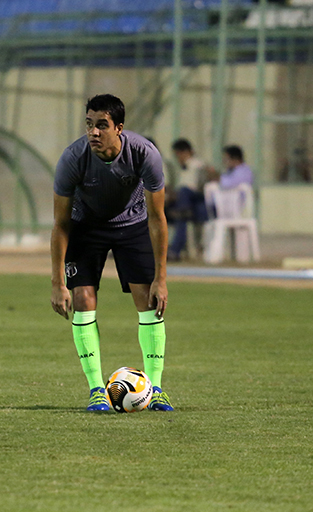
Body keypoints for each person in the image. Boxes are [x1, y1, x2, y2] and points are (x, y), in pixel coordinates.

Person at [50, 94, 173, 412]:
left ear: (119, 127)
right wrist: (57, 282)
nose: (93, 131)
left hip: (132, 224)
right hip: (85, 225)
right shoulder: (73, 158)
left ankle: (156, 388)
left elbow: (157, 218)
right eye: (89, 124)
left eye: (102, 125)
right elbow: (61, 224)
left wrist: (161, 278)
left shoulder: (144, 154)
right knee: (83, 300)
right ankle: (96, 390)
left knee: (148, 301)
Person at [168, 138, 214, 261]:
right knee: (180, 216)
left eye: (178, 154)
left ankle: (175, 250)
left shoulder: (199, 165)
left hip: (198, 200)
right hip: (186, 204)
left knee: (184, 193)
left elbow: (202, 188)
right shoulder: (181, 169)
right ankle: (172, 251)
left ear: (185, 152)